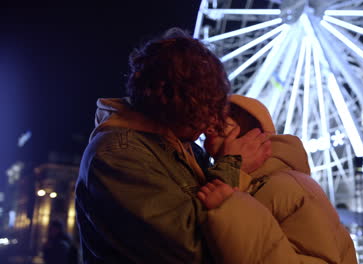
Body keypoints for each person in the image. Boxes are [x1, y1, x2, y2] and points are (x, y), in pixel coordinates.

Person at [75, 28, 271, 263]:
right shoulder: (117, 154)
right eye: (203, 112)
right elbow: (191, 248)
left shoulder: (184, 147)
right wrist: (233, 168)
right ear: (176, 104)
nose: (210, 124)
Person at [198, 95, 358, 264]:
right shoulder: (258, 185)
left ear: (253, 131)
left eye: (220, 122)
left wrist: (230, 208)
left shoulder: (287, 187)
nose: (207, 128)